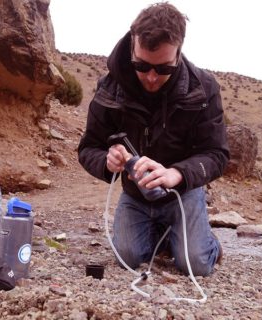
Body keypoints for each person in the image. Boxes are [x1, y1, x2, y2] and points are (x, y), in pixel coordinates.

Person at [78, 2, 229, 276]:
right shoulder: (110, 88)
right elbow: (88, 147)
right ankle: (167, 236)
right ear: (133, 44)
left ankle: (207, 244)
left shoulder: (203, 88)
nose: (150, 77)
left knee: (195, 264)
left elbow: (217, 154)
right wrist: (107, 161)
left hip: (182, 193)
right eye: (141, 65)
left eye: (163, 69)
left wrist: (176, 174)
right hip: (136, 195)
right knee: (128, 257)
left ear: (179, 52)